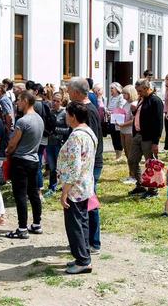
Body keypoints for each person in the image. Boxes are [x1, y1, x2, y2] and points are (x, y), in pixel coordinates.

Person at [58, 102, 98, 275]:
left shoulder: (76, 136)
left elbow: (74, 167)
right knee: (82, 222)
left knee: (75, 224)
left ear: (73, 116)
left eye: (67, 114)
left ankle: (82, 260)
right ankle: (84, 257)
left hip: (75, 187)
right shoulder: (89, 132)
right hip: (86, 184)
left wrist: (64, 192)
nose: (66, 117)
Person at [66, 77, 103, 254]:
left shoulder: (89, 111)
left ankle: (92, 242)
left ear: (76, 92)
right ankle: (84, 240)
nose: (67, 93)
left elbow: (91, 141)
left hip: (90, 165)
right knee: (86, 202)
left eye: (68, 90)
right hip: (87, 165)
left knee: (89, 203)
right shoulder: (83, 109)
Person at [5, 91, 44, 239]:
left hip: (20, 161)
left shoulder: (23, 121)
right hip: (34, 160)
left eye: (19, 100)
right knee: (33, 193)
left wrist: (7, 151)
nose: (17, 103)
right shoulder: (39, 119)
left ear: (26, 101)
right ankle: (36, 224)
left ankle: (22, 228)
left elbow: (13, 143)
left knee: (20, 195)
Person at [128, 78, 164, 199]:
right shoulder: (142, 99)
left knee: (150, 163)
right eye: (137, 91)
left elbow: (159, 123)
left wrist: (155, 142)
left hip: (148, 137)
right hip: (138, 135)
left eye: (140, 91)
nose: (138, 93)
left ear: (147, 88)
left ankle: (152, 189)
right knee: (132, 160)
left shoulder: (155, 101)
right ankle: (140, 185)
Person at [44, 92, 70, 197]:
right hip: (50, 143)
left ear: (61, 102)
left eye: (57, 101)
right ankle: (52, 187)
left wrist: (56, 130)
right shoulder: (49, 112)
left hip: (60, 143)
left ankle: (65, 187)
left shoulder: (64, 113)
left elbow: (68, 129)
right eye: (53, 100)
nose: (54, 103)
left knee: (62, 166)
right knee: (52, 166)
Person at [118, 85, 138, 184]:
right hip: (123, 130)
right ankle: (130, 174)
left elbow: (134, 119)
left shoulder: (134, 104)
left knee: (131, 154)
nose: (123, 95)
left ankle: (134, 175)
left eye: (125, 93)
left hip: (129, 131)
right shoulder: (126, 103)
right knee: (126, 152)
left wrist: (124, 124)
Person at [106, 82, 126, 159]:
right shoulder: (111, 98)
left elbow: (120, 108)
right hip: (111, 119)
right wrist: (107, 111)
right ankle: (116, 154)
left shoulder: (121, 97)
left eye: (112, 88)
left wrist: (111, 112)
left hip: (117, 120)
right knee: (113, 137)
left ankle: (119, 155)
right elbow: (109, 107)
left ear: (117, 89)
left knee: (118, 137)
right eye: (110, 88)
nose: (111, 90)